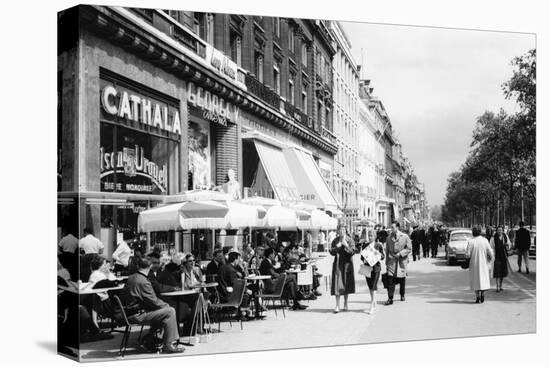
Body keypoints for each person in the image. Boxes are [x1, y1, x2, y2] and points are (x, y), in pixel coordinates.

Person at [123, 257, 185, 353]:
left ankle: (151, 339)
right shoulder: (143, 281)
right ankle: (169, 344)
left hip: (129, 312)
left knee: (164, 312)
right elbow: (154, 301)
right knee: (170, 311)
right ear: (150, 266)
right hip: (138, 315)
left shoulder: (132, 277)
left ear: (138, 266)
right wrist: (166, 305)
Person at [329, 224, 357, 313]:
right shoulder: (335, 240)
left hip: (347, 265)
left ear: (345, 231)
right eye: (340, 230)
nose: (341, 231)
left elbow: (353, 252)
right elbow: (331, 252)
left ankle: (345, 304)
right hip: (338, 264)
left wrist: (346, 245)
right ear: (337, 231)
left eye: (343, 230)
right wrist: (337, 247)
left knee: (346, 284)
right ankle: (337, 305)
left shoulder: (350, 240)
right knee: (337, 284)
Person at [384, 221, 411, 305]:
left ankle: (402, 294)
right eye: (391, 227)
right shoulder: (388, 238)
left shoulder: (405, 237)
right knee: (390, 280)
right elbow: (387, 250)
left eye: (393, 227)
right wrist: (387, 262)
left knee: (401, 279)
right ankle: (390, 298)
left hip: (401, 261)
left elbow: (409, 248)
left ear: (397, 227)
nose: (391, 229)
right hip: (391, 262)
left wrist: (401, 254)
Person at [466, 226, 494, 303]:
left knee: (475, 280)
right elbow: (490, 252)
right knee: (483, 279)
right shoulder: (485, 241)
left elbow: (468, 255)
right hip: (484, 263)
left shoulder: (470, 242)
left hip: (474, 264)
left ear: (473, 233)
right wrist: (490, 259)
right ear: (480, 232)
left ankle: (477, 296)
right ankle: (482, 293)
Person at [360, 230, 385, 314]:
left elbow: (382, 257)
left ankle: (372, 305)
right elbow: (361, 257)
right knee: (370, 286)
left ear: (375, 237)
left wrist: (379, 254)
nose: (370, 237)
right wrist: (364, 259)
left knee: (374, 286)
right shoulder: (365, 245)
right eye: (369, 235)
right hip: (367, 268)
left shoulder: (378, 245)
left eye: (372, 236)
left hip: (376, 268)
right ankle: (374, 301)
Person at [490, 226, 511, 292]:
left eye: (501, 230)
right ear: (496, 231)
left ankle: (501, 285)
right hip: (497, 257)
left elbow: (509, 245)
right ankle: (497, 286)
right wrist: (492, 255)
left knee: (502, 272)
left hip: (503, 257)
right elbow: (491, 247)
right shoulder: (493, 238)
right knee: (497, 272)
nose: (500, 231)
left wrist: (507, 245)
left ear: (502, 231)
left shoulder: (505, 237)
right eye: (498, 230)